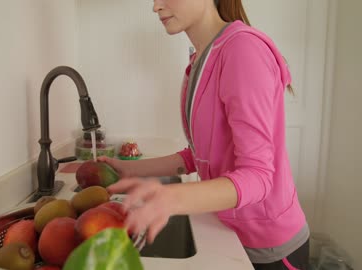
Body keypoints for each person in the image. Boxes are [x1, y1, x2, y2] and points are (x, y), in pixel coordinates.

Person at [99, 0, 310, 269]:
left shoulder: (242, 50)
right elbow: (199, 155)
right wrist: (130, 170)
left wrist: (171, 198)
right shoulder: (202, 57)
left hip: (269, 246)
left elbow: (258, 177)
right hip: (230, 231)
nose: (155, 6)